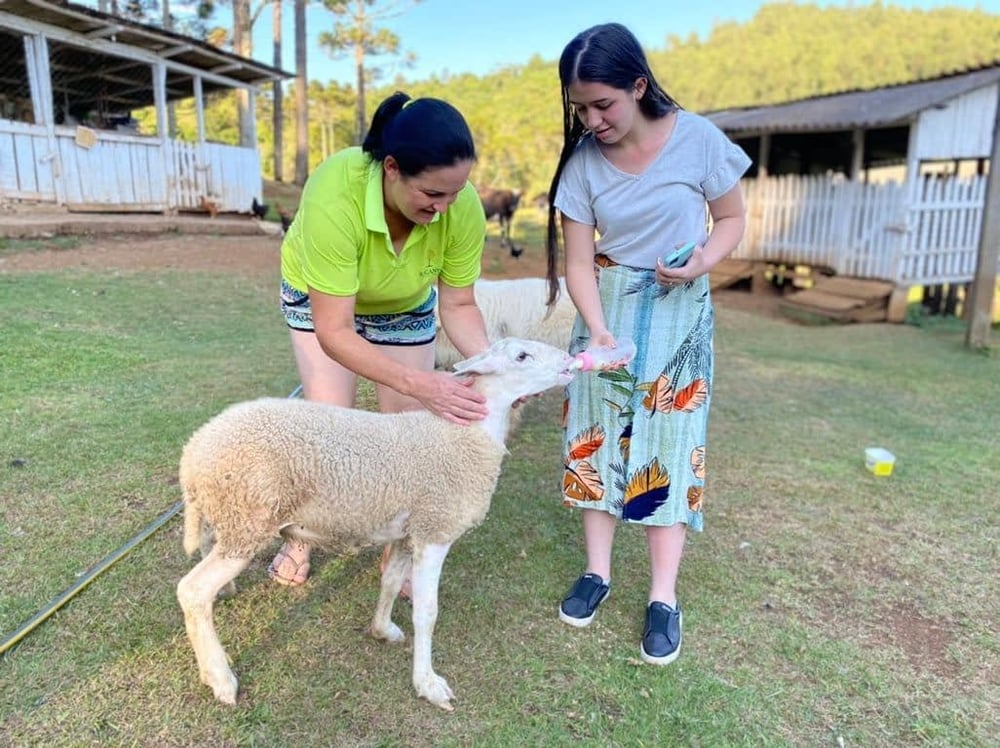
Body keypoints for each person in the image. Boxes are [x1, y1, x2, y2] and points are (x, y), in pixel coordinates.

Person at [545, 23, 751, 665]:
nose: (592, 119)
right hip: (605, 307)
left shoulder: (698, 140)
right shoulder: (582, 165)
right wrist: (596, 324)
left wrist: (699, 264)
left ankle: (663, 596)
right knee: (593, 436)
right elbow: (579, 261)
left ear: (638, 86)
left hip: (679, 309)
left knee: (669, 441)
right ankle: (597, 573)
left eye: (603, 104)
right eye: (581, 107)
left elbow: (733, 218)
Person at [270, 91, 492, 590]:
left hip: (402, 302)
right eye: (433, 195)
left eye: (455, 194)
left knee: (410, 432)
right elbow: (335, 331)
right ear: (392, 168)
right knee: (331, 430)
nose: (445, 208)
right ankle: (301, 535)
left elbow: (457, 305)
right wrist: (420, 382)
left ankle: (399, 548)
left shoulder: (461, 208)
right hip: (322, 302)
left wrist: (496, 363)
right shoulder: (335, 192)